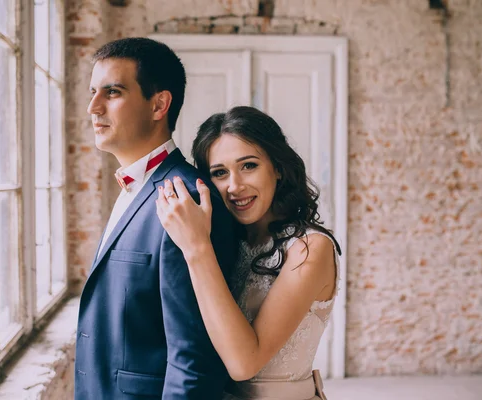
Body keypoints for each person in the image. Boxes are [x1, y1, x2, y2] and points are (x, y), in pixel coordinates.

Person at [74, 37, 239, 400]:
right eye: (93, 92)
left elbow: (195, 358)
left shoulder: (188, 198)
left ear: (159, 104)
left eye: (112, 92)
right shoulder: (134, 187)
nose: (93, 107)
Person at [156, 106, 341, 400]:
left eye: (249, 166)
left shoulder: (310, 248)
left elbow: (244, 364)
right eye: (219, 172)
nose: (235, 186)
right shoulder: (230, 241)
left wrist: (196, 248)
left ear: (277, 167)